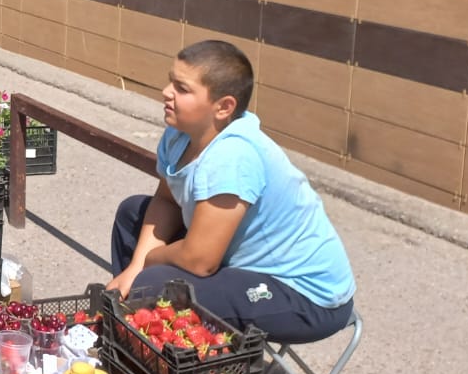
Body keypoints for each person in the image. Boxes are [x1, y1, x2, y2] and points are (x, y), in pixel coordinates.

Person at [105, 40, 357, 343]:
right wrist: (135, 265)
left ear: (224, 107)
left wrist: (148, 261)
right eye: (171, 80)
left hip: (304, 295)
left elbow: (200, 260)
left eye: (182, 89)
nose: (166, 91)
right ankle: (142, 336)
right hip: (238, 263)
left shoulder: (233, 156)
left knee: (156, 284)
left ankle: (174, 362)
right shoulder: (180, 133)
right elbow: (166, 199)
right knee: (133, 213)